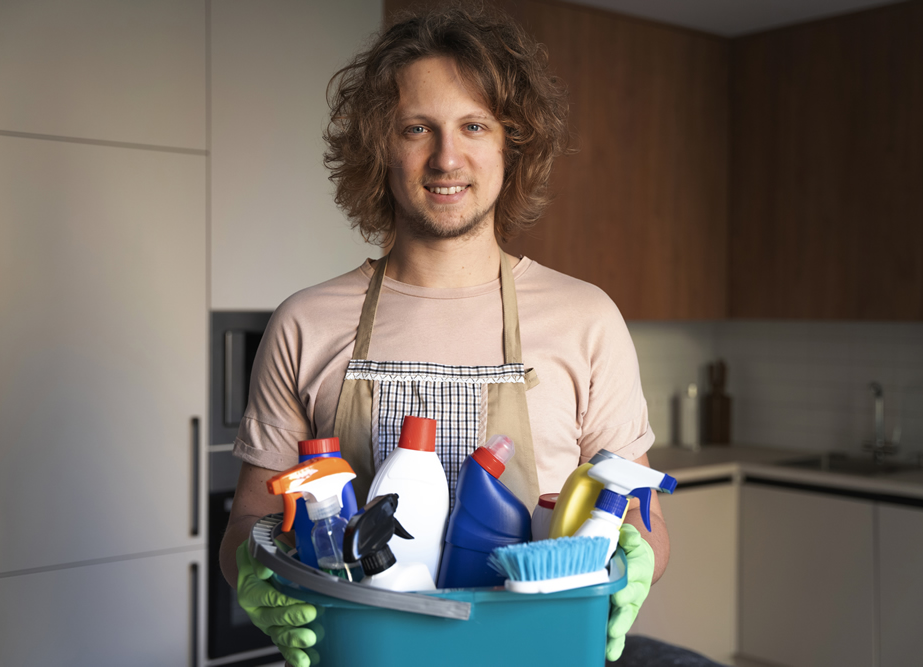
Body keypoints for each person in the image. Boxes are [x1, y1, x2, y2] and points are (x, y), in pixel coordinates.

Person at [219, 4, 670, 666]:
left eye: (474, 126)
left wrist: (636, 558)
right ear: (380, 145)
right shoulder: (306, 322)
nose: (446, 157)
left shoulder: (587, 319)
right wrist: (254, 574)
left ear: (509, 146)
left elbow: (644, 518)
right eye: (417, 127)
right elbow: (248, 523)